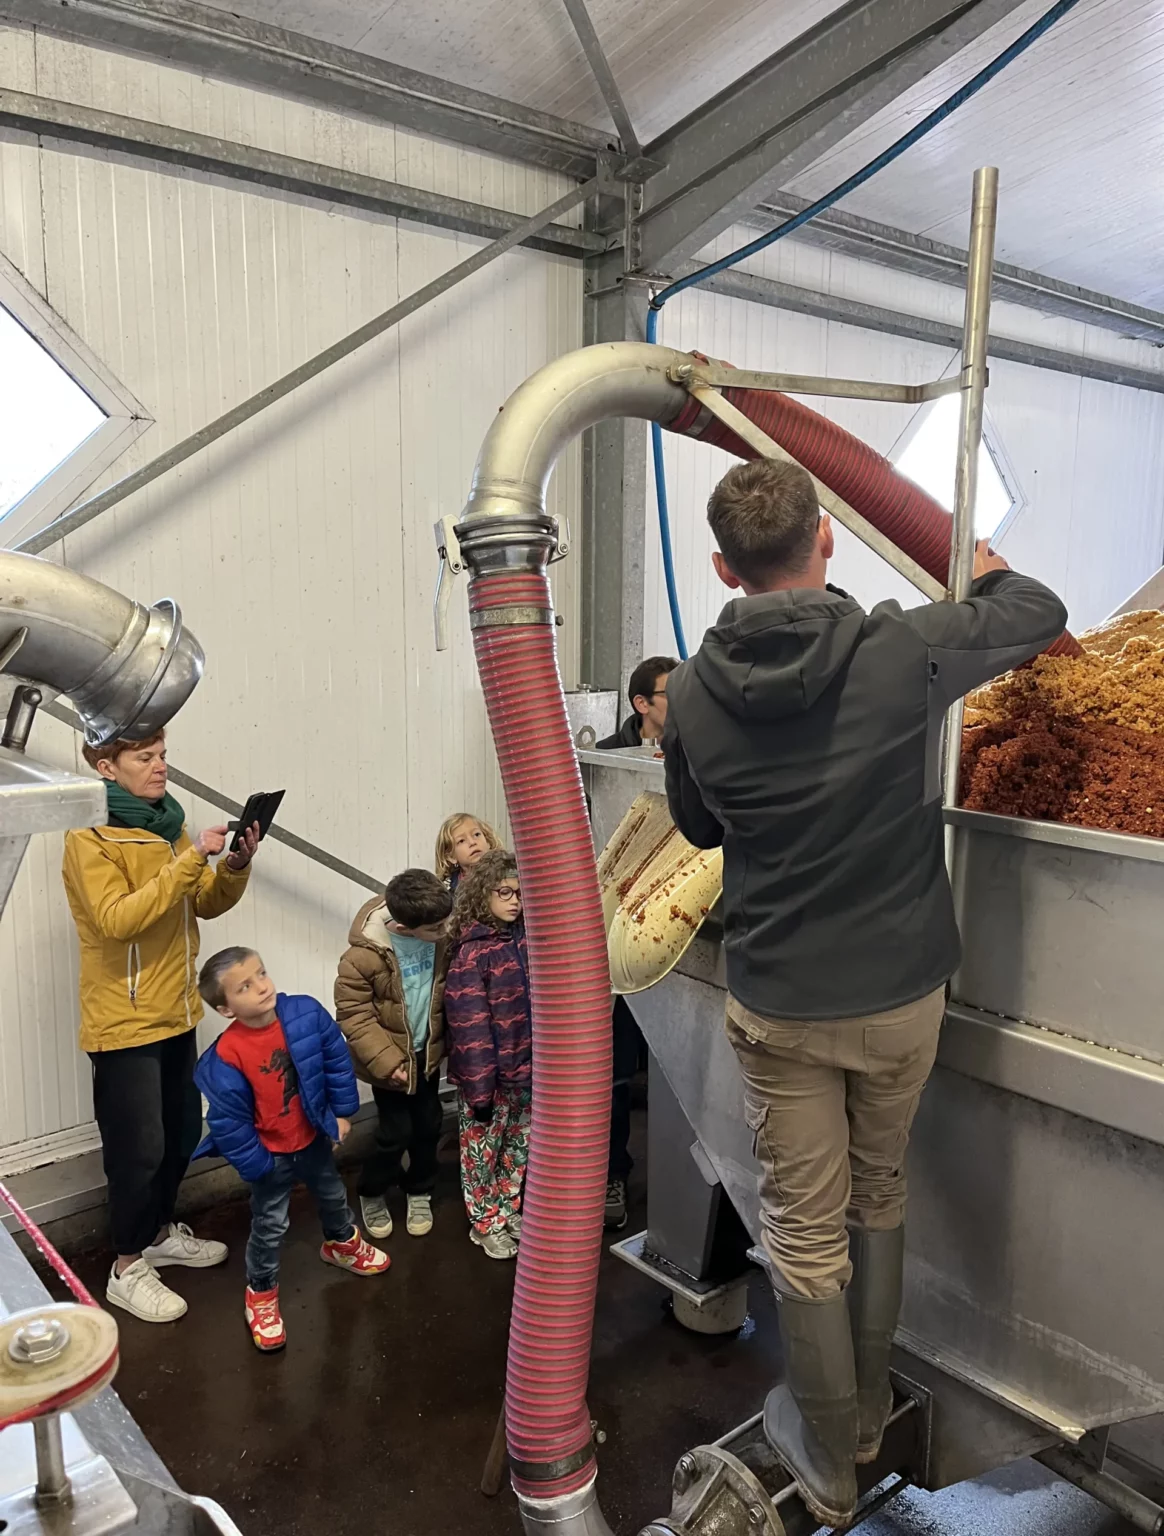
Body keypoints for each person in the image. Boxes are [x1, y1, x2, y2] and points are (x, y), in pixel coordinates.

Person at [663, 457, 1068, 1528]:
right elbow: (1039, 610)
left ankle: (829, 1463)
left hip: (782, 999)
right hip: (901, 992)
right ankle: (862, 1420)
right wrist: (980, 569)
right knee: (879, 1188)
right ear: (828, 534)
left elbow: (701, 829)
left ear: (720, 566)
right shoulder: (904, 649)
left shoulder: (692, 694)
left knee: (803, 1232)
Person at [61, 729, 261, 1325]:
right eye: (144, 758)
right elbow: (117, 920)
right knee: (137, 1148)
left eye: (163, 756)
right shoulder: (88, 835)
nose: (160, 767)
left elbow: (203, 901)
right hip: (123, 1023)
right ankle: (126, 1266)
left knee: (179, 1135)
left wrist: (234, 866)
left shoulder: (167, 824)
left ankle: (155, 1235)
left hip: (175, 1012)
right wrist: (190, 858)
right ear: (106, 766)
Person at [193, 948, 388, 1353]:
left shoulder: (304, 1015)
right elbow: (228, 1123)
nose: (262, 986)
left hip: (313, 1138)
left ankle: (340, 1244)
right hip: (271, 1156)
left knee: (334, 1196)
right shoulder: (225, 1058)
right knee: (271, 1225)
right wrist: (259, 1165)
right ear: (225, 1009)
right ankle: (261, 1293)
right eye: (244, 986)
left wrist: (342, 1114)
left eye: (261, 973)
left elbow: (335, 1059)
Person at [596, 656, 678, 1228]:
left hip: (684, 927)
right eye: (673, 693)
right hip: (623, 930)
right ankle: (611, 1177)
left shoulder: (704, 747)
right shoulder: (605, 762)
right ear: (641, 705)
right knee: (615, 1072)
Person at [334, 868, 451, 1241]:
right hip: (391, 1064)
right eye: (436, 928)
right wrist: (388, 1063)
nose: (445, 932)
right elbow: (354, 1014)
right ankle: (371, 1191)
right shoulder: (363, 956)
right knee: (395, 1131)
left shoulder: (440, 937)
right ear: (403, 926)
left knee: (429, 1126)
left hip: (426, 1056)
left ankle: (419, 1189)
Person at [444, 850, 532, 1262]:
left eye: (519, 892)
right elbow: (469, 1026)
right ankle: (485, 1223)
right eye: (504, 892)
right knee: (481, 1153)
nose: (514, 901)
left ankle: (508, 1208)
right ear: (483, 895)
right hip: (489, 1081)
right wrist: (479, 1092)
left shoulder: (528, 942)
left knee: (516, 1150)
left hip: (527, 1073)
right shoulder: (472, 954)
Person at [597, 655, 678, 749]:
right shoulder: (604, 754)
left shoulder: (695, 751)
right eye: (672, 693)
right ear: (642, 704)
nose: (683, 701)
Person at [434, 812, 502, 896]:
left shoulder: (506, 875)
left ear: (488, 841)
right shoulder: (447, 891)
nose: (472, 842)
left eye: (476, 834)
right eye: (461, 841)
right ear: (451, 856)